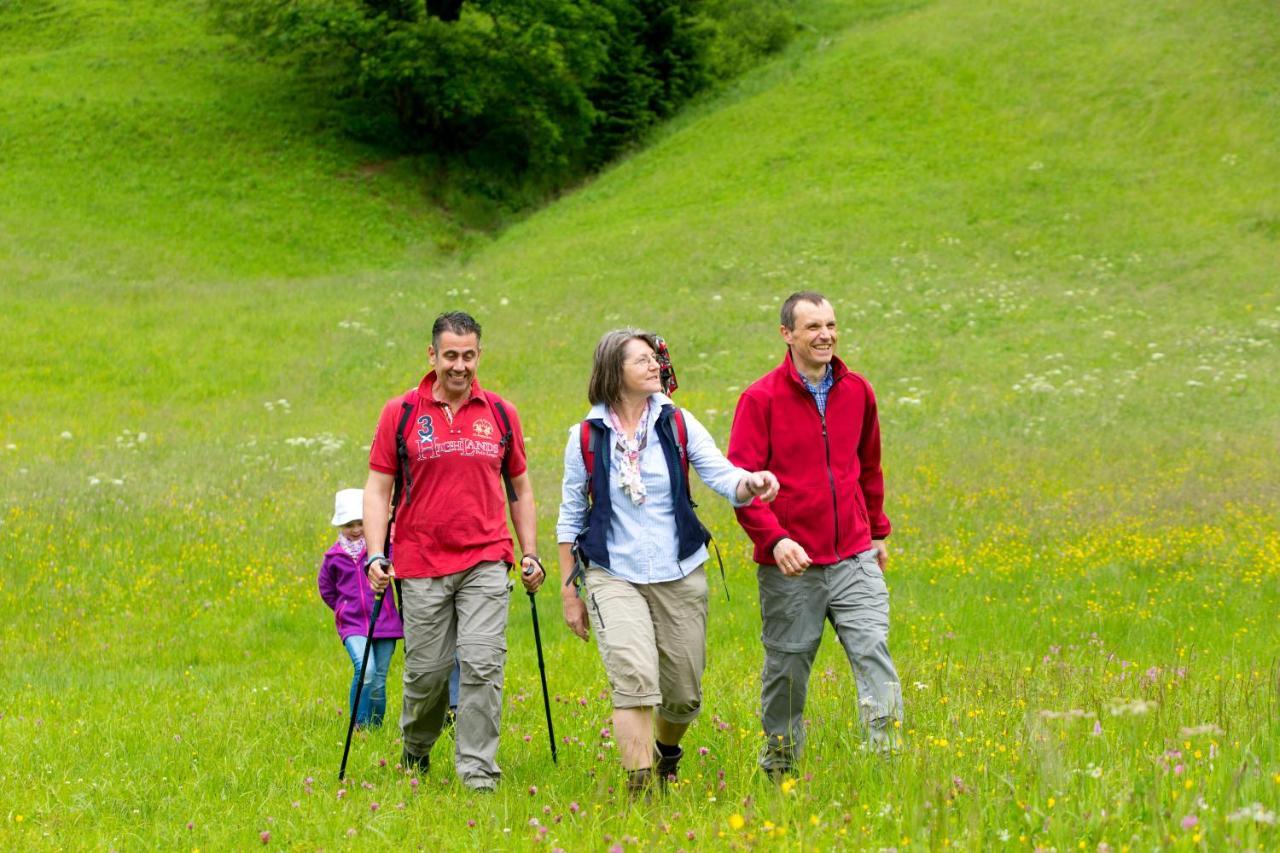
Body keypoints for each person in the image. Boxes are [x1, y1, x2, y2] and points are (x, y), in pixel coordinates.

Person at [556, 329, 779, 795]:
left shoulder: (677, 422)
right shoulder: (585, 436)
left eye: (655, 358)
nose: (656, 365)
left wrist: (751, 483)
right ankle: (640, 789)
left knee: (682, 696)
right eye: (642, 360)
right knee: (633, 679)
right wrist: (568, 591)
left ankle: (666, 753)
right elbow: (570, 517)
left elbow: (723, 476)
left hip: (679, 570)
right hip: (611, 572)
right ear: (614, 373)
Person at [362, 311, 544, 793]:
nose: (459, 366)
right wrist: (376, 554)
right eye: (450, 356)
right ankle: (416, 748)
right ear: (432, 355)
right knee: (428, 674)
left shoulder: (501, 413)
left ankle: (478, 774)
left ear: (479, 355)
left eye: (468, 356)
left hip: (486, 558)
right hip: (420, 563)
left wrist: (530, 552)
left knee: (483, 663)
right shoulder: (400, 412)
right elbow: (379, 489)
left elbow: (520, 489)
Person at [727, 291, 903, 778]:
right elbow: (741, 486)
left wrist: (877, 532)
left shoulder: (858, 392)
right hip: (792, 565)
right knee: (787, 672)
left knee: (874, 654)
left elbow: (869, 468)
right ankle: (780, 767)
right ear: (787, 334)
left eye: (830, 325)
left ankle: (885, 761)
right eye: (812, 327)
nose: (825, 335)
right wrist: (775, 540)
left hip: (853, 557)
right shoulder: (759, 399)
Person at [317, 488, 404, 728]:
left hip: (385, 622)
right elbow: (326, 587)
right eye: (349, 524)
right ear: (339, 525)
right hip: (353, 625)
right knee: (365, 669)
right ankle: (359, 724)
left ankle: (375, 728)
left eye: (360, 523)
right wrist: (342, 608)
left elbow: (399, 562)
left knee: (378, 680)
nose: (355, 529)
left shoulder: (382, 549)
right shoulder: (333, 557)